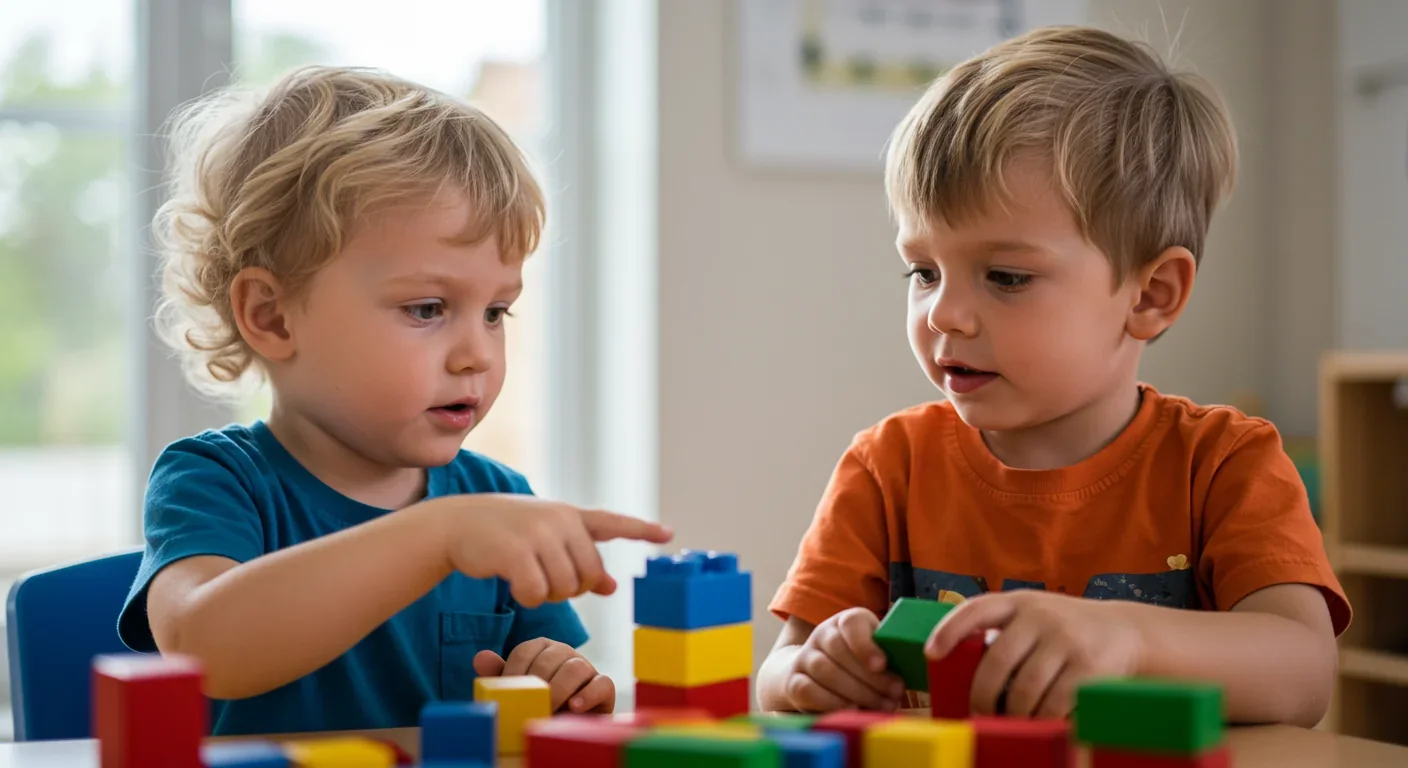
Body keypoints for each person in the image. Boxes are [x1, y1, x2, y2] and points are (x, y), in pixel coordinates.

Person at [756, 26, 1348, 727]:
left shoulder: (1223, 465)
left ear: (1151, 294)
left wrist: (1126, 638)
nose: (945, 311)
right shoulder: (888, 469)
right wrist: (814, 670)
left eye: (1005, 276)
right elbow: (778, 673)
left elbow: (1304, 674)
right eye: (923, 271)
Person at [117, 66, 672, 735]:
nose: (478, 353)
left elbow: (542, 689)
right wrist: (437, 536)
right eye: (429, 308)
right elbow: (203, 647)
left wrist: (554, 681)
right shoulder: (217, 481)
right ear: (272, 316)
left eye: (496, 311)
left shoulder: (495, 498)